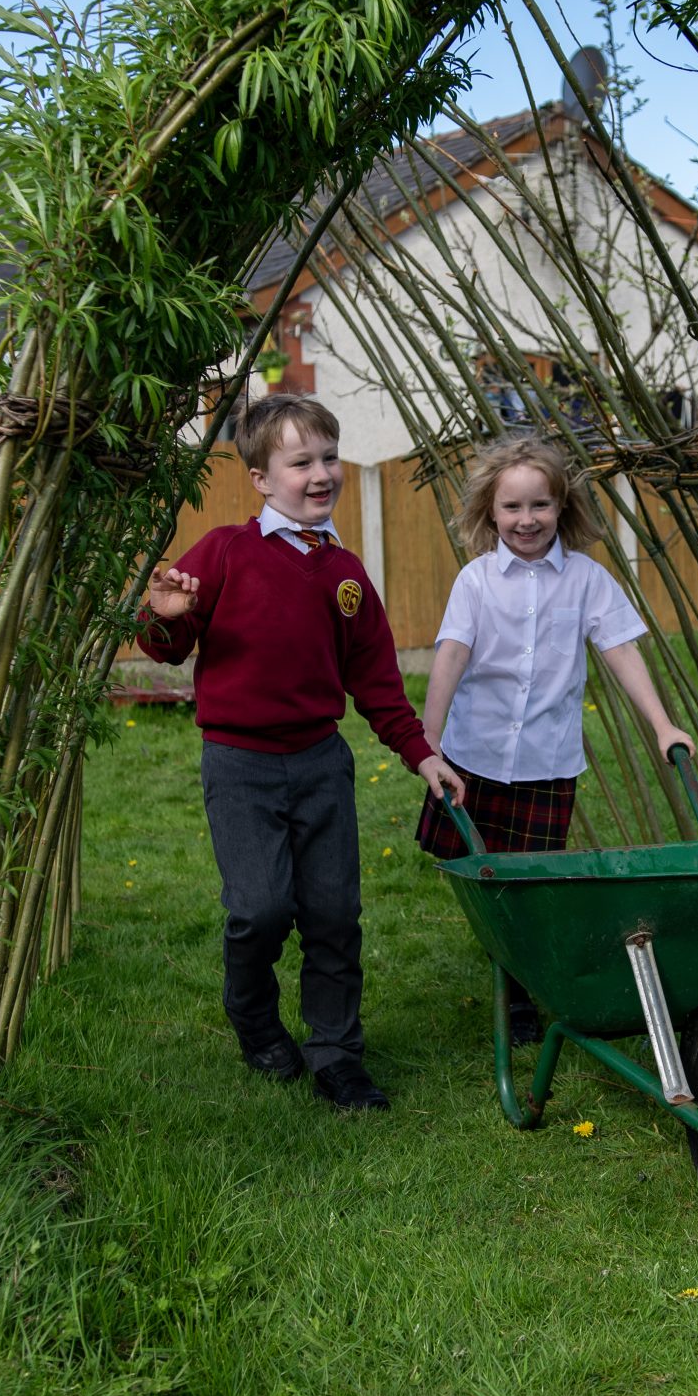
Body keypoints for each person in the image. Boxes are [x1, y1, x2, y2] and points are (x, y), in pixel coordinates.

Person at [140, 393, 464, 1112]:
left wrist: (422, 754)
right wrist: (165, 618)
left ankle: (337, 1056)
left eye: (329, 458)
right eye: (300, 463)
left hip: (320, 764)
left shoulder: (346, 575)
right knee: (260, 909)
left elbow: (377, 682)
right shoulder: (225, 551)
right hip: (240, 765)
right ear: (260, 477)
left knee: (333, 914)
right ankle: (254, 1017)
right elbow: (166, 646)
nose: (321, 474)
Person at [417, 434, 694, 1042]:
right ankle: (507, 968)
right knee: (485, 877)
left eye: (540, 505)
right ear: (491, 511)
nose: (527, 519)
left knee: (531, 884)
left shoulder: (587, 581)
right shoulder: (475, 581)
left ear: (562, 506)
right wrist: (428, 741)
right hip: (474, 757)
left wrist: (662, 723)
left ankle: (518, 991)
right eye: (512, 507)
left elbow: (620, 650)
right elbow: (452, 655)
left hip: (546, 763)